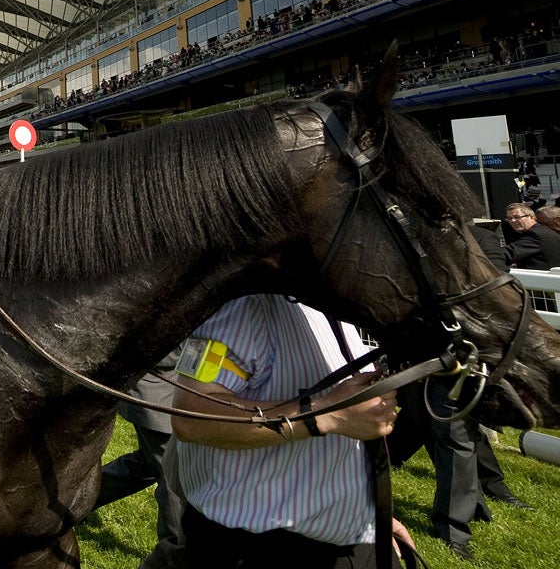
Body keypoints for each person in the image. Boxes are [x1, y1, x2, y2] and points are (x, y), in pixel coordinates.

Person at [171, 295, 414, 568]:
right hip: (261, 551)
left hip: (354, 538)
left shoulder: (333, 311)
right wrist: (323, 414)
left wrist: (365, 517)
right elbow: (190, 416)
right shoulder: (244, 307)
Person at [388, 222, 530, 562]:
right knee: (446, 434)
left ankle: (464, 517)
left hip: (466, 354)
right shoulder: (408, 238)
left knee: (457, 436)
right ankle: (464, 515)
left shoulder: (477, 240)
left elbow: (496, 289)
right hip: (421, 354)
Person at [94, 348, 186, 569]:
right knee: (169, 472)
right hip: (157, 389)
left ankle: (81, 498)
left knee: (147, 465)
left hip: (171, 385)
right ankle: (174, 551)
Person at [503, 202, 560, 270]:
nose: (512, 221)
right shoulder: (541, 231)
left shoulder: (535, 234)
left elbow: (508, 254)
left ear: (531, 217)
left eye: (517, 217)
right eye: (509, 218)